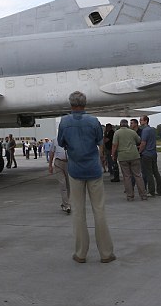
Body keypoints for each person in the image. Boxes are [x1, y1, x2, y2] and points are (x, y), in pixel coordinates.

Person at [57, 91, 115, 263]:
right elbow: (99, 140)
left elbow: (60, 142)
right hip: (94, 170)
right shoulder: (93, 121)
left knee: (78, 212)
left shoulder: (65, 122)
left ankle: (81, 253)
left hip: (75, 170)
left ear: (70, 104)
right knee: (99, 210)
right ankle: (106, 253)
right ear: (85, 104)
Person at [112, 119, 146, 201]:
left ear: (120, 125)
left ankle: (130, 196)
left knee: (127, 177)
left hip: (123, 157)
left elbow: (114, 145)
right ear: (127, 125)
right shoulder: (132, 132)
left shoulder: (117, 133)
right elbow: (139, 140)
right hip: (134, 155)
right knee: (138, 175)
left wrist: (113, 155)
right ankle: (143, 195)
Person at [139, 116, 161, 197]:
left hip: (147, 154)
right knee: (156, 172)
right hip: (153, 153)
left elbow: (143, 143)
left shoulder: (145, 131)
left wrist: (140, 152)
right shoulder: (152, 129)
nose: (140, 122)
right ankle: (159, 190)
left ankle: (151, 191)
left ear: (145, 121)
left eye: (141, 120)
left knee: (149, 173)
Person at [48, 138, 72, 214]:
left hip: (69, 163)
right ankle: (67, 205)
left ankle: (65, 202)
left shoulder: (71, 139)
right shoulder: (55, 140)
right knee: (63, 184)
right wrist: (50, 165)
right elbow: (51, 152)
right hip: (59, 163)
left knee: (69, 185)